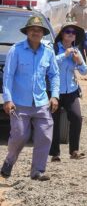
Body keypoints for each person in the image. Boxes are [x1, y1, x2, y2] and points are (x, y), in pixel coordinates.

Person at [1, 15, 60, 181]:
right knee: (19, 136)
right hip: (19, 103)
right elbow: (8, 75)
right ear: (27, 32)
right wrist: (8, 99)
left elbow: (54, 75)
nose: (35, 32)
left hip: (42, 103)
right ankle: (9, 161)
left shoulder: (48, 52)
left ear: (43, 33)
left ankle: (37, 171)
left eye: (39, 30)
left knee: (45, 136)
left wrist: (55, 96)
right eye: (32, 30)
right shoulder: (16, 50)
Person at [49, 24, 87, 162]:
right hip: (54, 91)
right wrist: (64, 55)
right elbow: (49, 64)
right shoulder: (53, 48)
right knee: (54, 121)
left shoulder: (76, 50)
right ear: (62, 34)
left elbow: (85, 71)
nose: (71, 34)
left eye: (74, 32)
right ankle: (55, 153)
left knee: (76, 117)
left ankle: (74, 151)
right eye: (68, 31)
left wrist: (79, 61)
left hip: (71, 90)